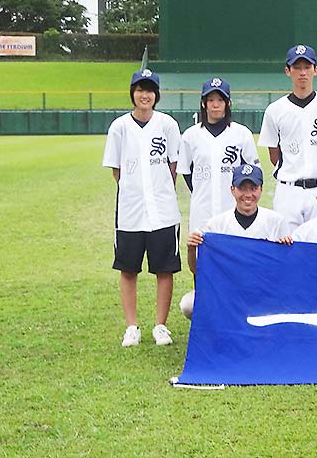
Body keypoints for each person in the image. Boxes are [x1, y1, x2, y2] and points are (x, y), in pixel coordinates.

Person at [102, 69, 182, 347]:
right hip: (130, 210)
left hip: (163, 210)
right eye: (139, 89)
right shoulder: (119, 127)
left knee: (165, 269)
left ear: (156, 95)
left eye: (149, 90)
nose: (144, 95)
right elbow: (117, 170)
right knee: (128, 269)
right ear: (132, 93)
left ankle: (161, 325)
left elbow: (173, 167)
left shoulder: (168, 125)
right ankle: (132, 326)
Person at [180, 164, 292, 320]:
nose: (248, 194)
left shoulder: (276, 221)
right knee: (188, 305)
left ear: (260, 189)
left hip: (263, 290)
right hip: (227, 291)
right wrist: (191, 249)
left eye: (253, 188)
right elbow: (197, 270)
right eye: (242, 188)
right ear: (232, 189)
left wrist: (286, 247)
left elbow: (285, 271)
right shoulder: (216, 224)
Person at [257, 44, 317, 231]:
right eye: (297, 67)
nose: (302, 73)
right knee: (286, 244)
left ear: (315, 70)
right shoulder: (275, 110)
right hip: (288, 189)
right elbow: (274, 154)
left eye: (307, 67)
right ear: (287, 71)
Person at [177, 77, 260, 234]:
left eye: (220, 100)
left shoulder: (242, 134)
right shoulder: (190, 135)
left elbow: (254, 172)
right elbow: (187, 173)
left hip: (233, 210)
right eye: (211, 100)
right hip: (202, 211)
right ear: (203, 103)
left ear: (228, 103)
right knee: (202, 255)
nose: (216, 105)